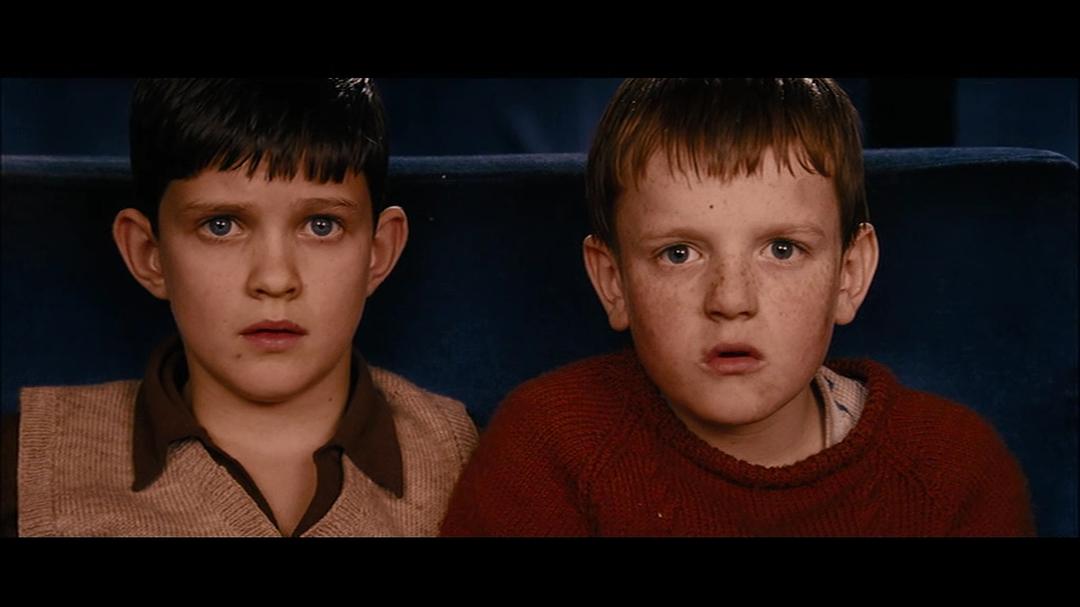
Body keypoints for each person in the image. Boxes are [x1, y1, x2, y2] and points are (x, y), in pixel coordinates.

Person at [440, 78, 1034, 536]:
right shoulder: (548, 448)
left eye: (783, 250)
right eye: (678, 254)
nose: (730, 300)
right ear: (613, 281)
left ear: (849, 275)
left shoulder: (953, 469)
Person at [1, 78, 477, 537]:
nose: (275, 279)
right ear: (149, 254)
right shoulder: (27, 464)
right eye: (222, 225)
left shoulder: (470, 459)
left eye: (322, 225)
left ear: (378, 252)